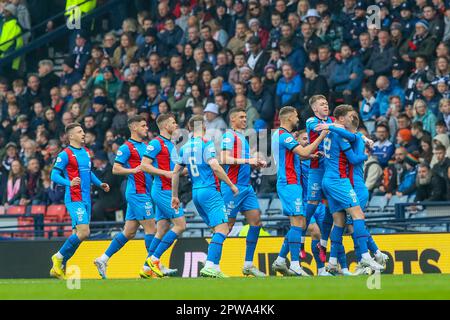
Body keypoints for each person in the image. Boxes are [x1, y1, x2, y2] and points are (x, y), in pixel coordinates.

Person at [317, 105, 384, 273]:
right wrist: (365, 153)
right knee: (358, 217)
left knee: (339, 222)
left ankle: (332, 262)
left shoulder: (329, 133)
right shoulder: (342, 135)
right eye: (348, 116)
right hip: (341, 182)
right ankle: (367, 257)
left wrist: (361, 137)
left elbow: (354, 135)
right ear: (340, 119)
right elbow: (354, 157)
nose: (351, 118)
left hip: (329, 180)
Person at [172, 115, 239, 278]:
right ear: (203, 127)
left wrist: (174, 196)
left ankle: (214, 267)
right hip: (210, 190)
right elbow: (215, 166)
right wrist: (230, 184)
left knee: (217, 229)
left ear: (189, 128)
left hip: (196, 193)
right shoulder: (206, 143)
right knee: (223, 228)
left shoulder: (185, 147)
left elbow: (175, 173)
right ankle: (210, 265)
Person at [271, 107, 328, 276]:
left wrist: (310, 157)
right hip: (289, 182)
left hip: (289, 182)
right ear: (288, 118)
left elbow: (298, 155)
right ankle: (294, 264)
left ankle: (281, 259)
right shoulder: (284, 135)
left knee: (300, 223)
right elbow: (302, 151)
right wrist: (321, 137)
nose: (298, 119)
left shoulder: (278, 135)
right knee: (298, 223)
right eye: (296, 116)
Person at [49, 123, 110, 279]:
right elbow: (54, 176)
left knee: (78, 235)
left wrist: (99, 183)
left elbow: (89, 173)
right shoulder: (65, 154)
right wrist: (69, 183)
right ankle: (58, 257)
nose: (83, 133)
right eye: (79, 131)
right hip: (74, 197)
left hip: (86, 198)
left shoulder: (86, 152)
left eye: (83, 131)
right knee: (84, 231)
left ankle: (59, 266)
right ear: (71, 136)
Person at [220, 108, 266, 277]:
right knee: (227, 226)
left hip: (246, 188)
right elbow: (224, 159)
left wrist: (255, 163)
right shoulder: (229, 136)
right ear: (232, 119)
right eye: (241, 117)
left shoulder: (242, 138)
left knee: (256, 223)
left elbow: (240, 162)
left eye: (246, 117)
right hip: (232, 187)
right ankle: (212, 263)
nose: (245, 119)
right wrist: (248, 160)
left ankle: (248, 264)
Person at [140, 114, 185, 278]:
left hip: (168, 189)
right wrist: (166, 173)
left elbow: (175, 170)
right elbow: (144, 165)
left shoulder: (172, 144)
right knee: (180, 225)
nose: (176, 124)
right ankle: (154, 259)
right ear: (166, 126)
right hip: (162, 190)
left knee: (162, 228)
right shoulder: (156, 143)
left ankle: (146, 267)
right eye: (173, 122)